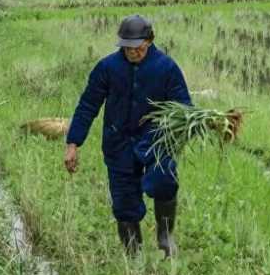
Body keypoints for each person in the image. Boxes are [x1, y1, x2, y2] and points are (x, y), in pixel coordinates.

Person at [64, 15, 191, 257]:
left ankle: (165, 236)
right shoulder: (107, 68)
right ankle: (133, 252)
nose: (133, 53)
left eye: (138, 48)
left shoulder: (166, 68)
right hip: (118, 141)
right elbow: (88, 105)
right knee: (124, 201)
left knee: (165, 182)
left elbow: (183, 106)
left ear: (150, 41)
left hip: (156, 140)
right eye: (127, 48)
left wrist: (190, 123)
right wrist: (73, 143)